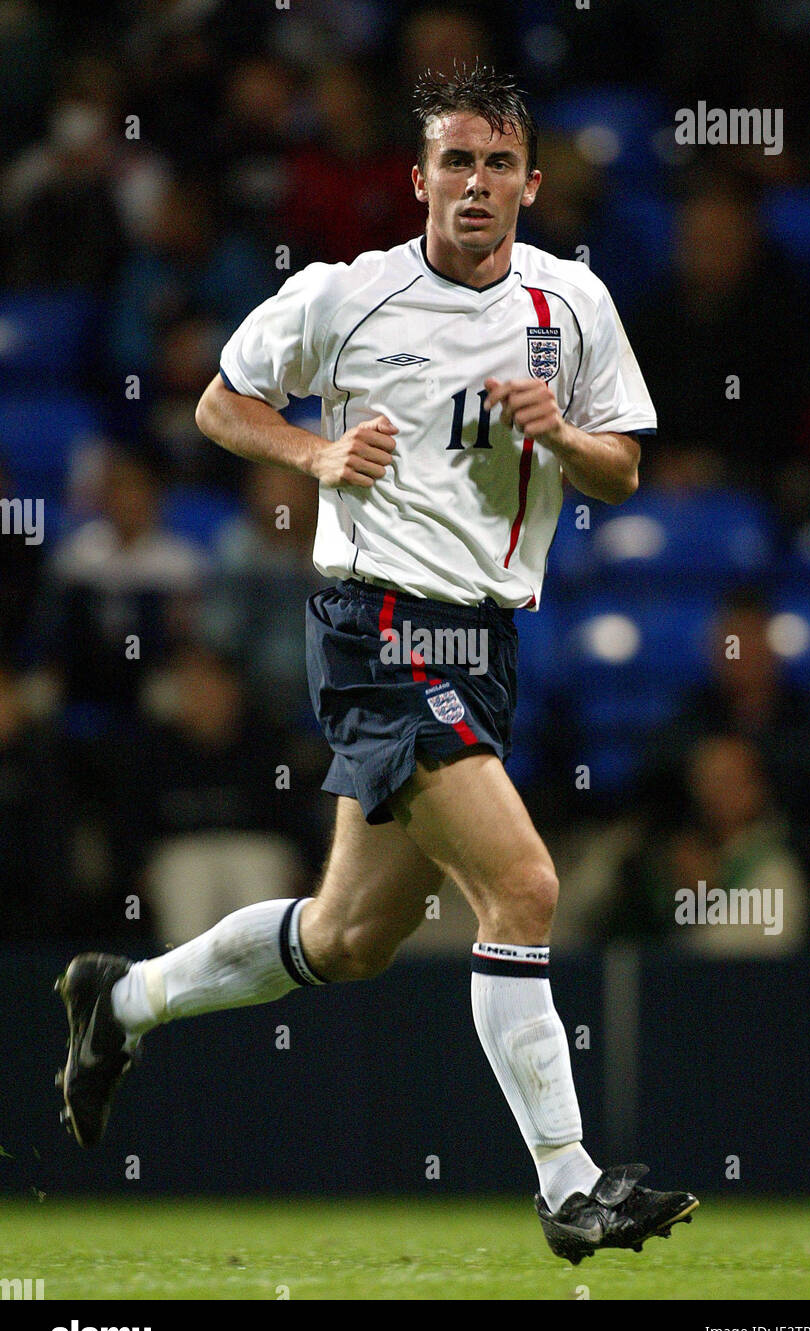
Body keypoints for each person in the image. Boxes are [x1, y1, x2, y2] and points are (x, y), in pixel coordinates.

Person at [56, 65, 696, 1267]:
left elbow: (622, 471)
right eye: (453, 160)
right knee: (525, 887)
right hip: (378, 621)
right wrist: (315, 451)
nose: (474, 183)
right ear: (417, 179)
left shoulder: (572, 305)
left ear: (528, 183)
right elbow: (215, 403)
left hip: (485, 637)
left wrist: (562, 433)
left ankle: (121, 997)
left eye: (496, 163)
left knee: (351, 936)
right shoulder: (344, 296)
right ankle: (569, 1185)